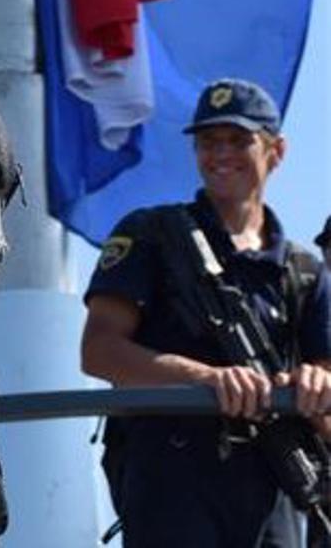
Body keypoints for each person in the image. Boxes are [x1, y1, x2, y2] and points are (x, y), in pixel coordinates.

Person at [81, 78, 331, 547]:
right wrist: (209, 379)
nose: (221, 154)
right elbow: (100, 351)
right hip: (171, 483)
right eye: (208, 141)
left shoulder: (304, 271)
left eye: (239, 140)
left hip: (274, 484)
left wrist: (317, 383)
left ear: (276, 151)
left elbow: (324, 367)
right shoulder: (151, 236)